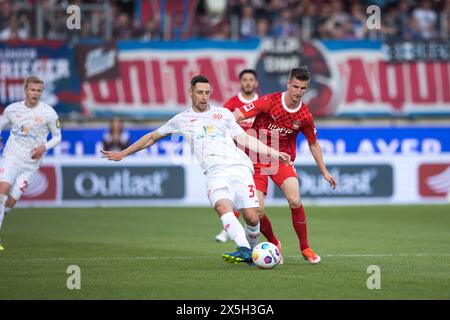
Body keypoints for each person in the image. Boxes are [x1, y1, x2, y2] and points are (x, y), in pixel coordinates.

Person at [101, 75, 291, 264]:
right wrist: (124, 153)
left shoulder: (223, 114)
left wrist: (274, 152)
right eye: (199, 92)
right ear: (190, 93)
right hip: (215, 172)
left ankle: (250, 251)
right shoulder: (181, 119)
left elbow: (245, 139)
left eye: (207, 93)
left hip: (239, 167)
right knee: (222, 206)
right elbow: (152, 137)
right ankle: (244, 249)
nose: (204, 96)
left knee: (251, 217)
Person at [234, 66, 337, 264]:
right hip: (258, 158)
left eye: (303, 88)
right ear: (288, 84)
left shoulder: (304, 115)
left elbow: (313, 143)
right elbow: (239, 114)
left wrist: (324, 171)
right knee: (257, 212)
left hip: (283, 159)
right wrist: (228, 127)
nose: (298, 92)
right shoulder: (269, 101)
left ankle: (305, 247)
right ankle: (274, 244)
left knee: (295, 200)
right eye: (295, 86)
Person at [0, 76, 62, 251]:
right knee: (2, 191)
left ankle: (2, 213)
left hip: (30, 165)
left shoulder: (48, 113)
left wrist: (44, 146)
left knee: (10, 202)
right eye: (32, 90)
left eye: (39, 90)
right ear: (25, 90)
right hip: (10, 158)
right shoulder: (12, 110)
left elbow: (58, 137)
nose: (35, 93)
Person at [214, 69, 260, 243]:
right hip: (237, 158)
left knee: (252, 203)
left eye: (251, 80)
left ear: (256, 83)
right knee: (236, 195)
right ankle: (231, 232)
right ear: (240, 83)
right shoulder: (232, 103)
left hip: (258, 158)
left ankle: (236, 234)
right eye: (245, 80)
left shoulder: (262, 103)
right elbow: (221, 127)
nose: (248, 83)